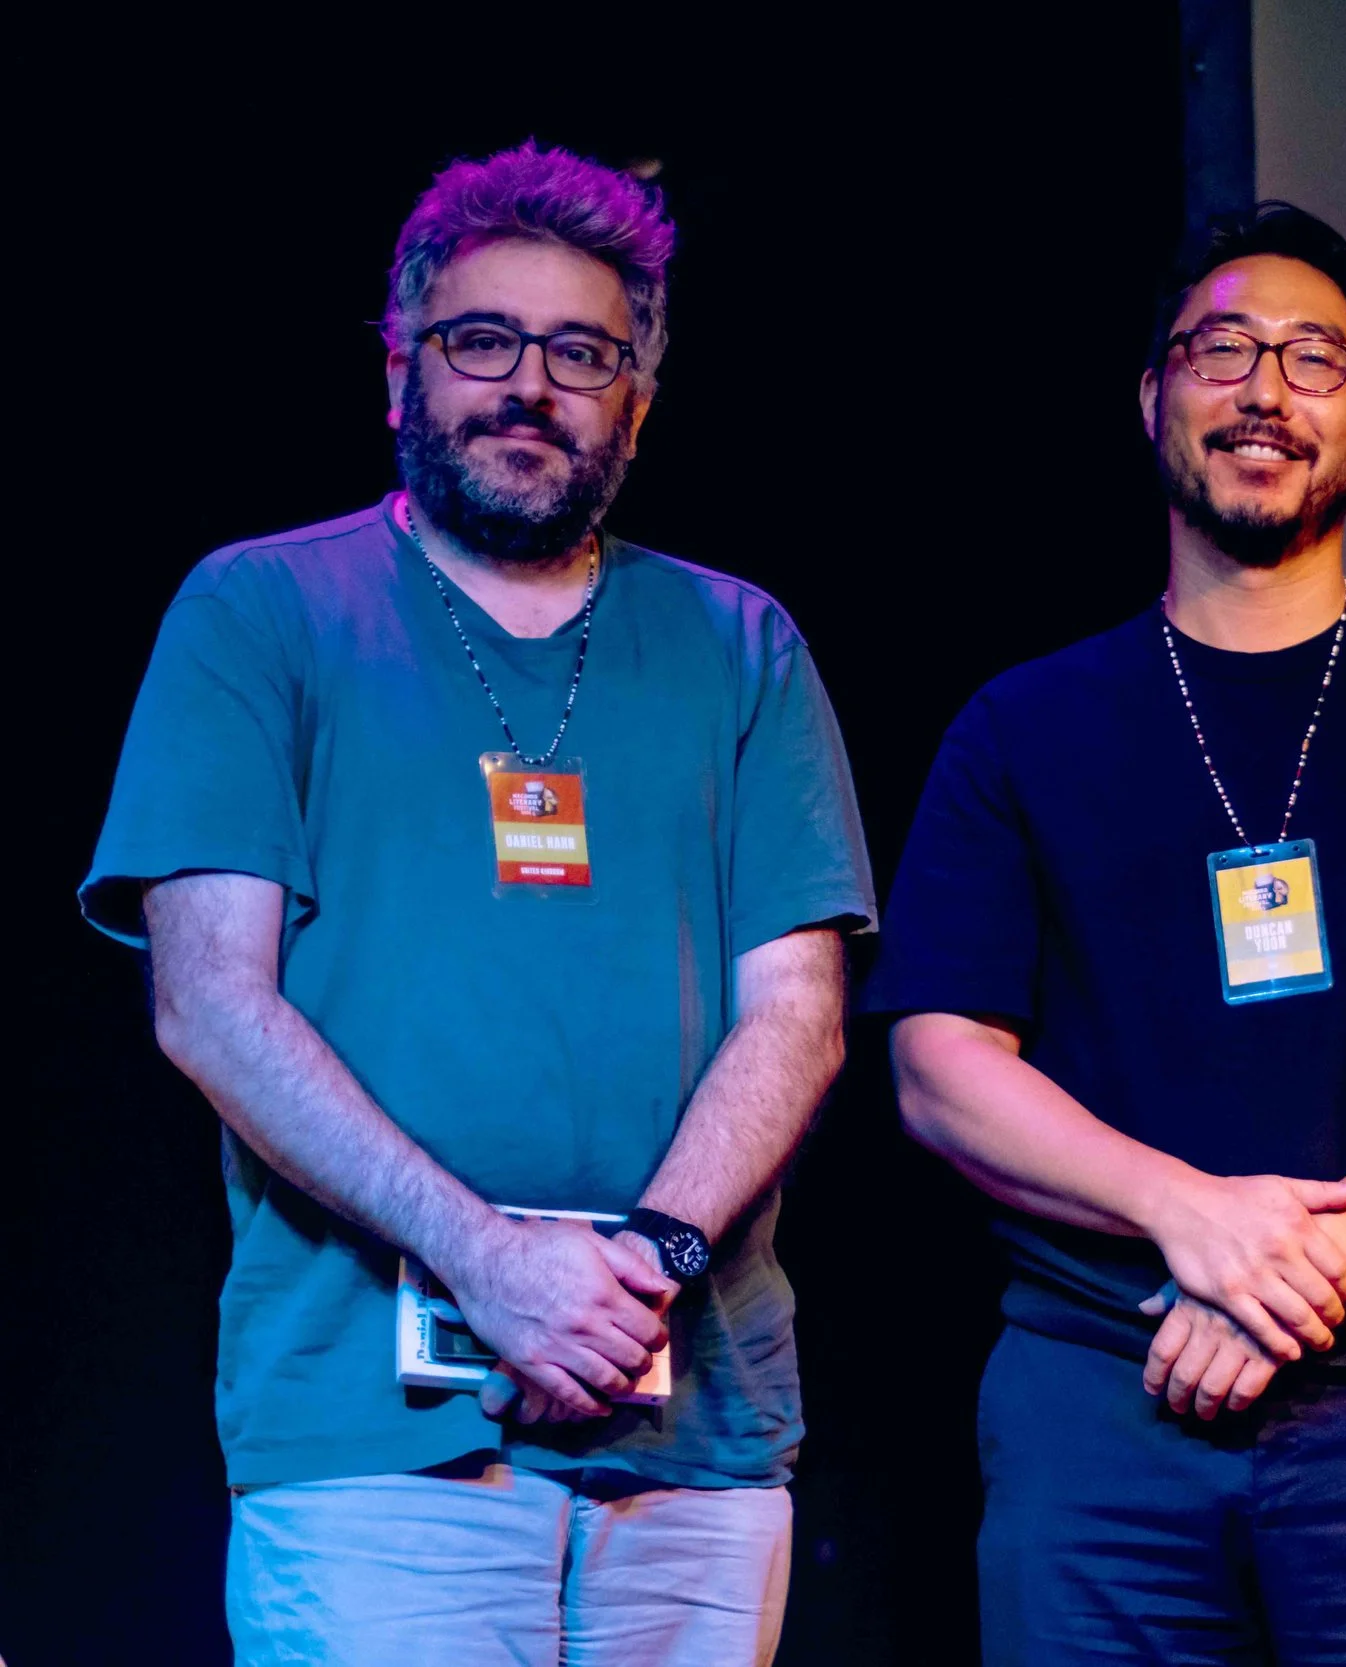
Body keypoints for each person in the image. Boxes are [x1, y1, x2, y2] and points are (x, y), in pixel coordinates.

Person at [82, 143, 873, 1664]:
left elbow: (801, 1010)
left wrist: (647, 1265)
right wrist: (488, 1259)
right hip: (370, 1436)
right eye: (481, 341)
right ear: (399, 374)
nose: (530, 385)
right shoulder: (262, 610)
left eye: (583, 353)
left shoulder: (741, 639)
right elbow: (209, 1002)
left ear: (636, 400)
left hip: (696, 1431)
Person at [865, 202, 1346, 1665]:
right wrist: (1186, 1214)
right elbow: (940, 1065)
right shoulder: (1022, 726)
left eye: (1315, 359)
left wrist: (1281, 1277)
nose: (1266, 390)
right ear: (1152, 397)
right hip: (1102, 1396)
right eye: (1223, 351)